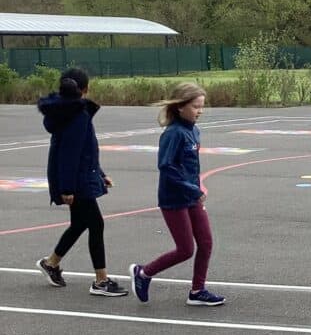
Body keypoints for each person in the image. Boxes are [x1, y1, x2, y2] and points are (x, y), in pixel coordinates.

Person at [129, 83, 225, 306]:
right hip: (174, 199)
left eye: (201, 107)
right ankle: (143, 273)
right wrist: (192, 189)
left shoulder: (193, 129)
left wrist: (195, 187)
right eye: (195, 107)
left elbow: (191, 166)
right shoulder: (173, 134)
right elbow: (167, 167)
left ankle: (197, 291)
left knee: (206, 242)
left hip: (191, 197)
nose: (199, 111)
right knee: (185, 250)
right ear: (180, 107)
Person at [36, 68, 128, 296]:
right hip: (76, 182)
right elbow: (71, 154)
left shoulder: (64, 112)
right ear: (85, 90)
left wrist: (100, 173)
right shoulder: (78, 116)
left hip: (80, 177)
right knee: (96, 224)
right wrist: (67, 189)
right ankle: (101, 281)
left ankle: (51, 263)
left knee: (80, 224)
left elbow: (84, 151)